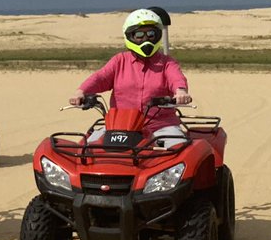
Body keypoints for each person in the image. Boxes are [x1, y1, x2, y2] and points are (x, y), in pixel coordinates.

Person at [68, 8, 192, 146]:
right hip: (119, 127)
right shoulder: (119, 61)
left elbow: (176, 78)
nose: (146, 39)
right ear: (130, 36)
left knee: (178, 150)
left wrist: (180, 91)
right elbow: (100, 78)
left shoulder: (167, 62)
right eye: (139, 35)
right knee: (86, 149)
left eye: (151, 34)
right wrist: (81, 92)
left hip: (161, 126)